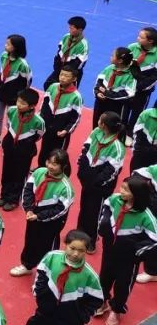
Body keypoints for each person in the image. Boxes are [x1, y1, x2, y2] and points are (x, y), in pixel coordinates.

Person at [1, 230, 103, 325]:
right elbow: (41, 273)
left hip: (68, 319)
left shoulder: (90, 276)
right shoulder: (52, 257)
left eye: (81, 250)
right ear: (65, 244)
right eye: (72, 248)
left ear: (86, 251)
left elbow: (96, 300)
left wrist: (80, 319)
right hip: (47, 308)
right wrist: (39, 295)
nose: (75, 253)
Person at [97, 175, 157, 325]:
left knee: (123, 284)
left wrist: (136, 252)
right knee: (104, 277)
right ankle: (102, 301)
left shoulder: (145, 216)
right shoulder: (114, 200)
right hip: (109, 250)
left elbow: (154, 239)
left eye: (126, 190)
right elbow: (106, 208)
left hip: (128, 259)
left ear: (136, 193)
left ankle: (116, 309)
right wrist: (104, 224)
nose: (121, 191)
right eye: (122, 187)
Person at [11, 149, 75, 276]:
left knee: (47, 243)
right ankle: (27, 265)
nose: (50, 166)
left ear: (63, 166)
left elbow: (60, 210)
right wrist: (29, 209)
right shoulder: (39, 172)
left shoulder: (66, 187)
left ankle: (48, 270)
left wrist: (39, 216)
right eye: (49, 162)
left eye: (55, 164)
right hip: (33, 214)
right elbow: (28, 190)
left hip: (51, 221)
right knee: (30, 240)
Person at [75, 112, 127, 243]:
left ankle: (91, 239)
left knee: (94, 212)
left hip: (101, 187)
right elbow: (86, 147)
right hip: (87, 179)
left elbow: (112, 170)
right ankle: (80, 232)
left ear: (103, 124)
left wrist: (96, 182)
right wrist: (82, 172)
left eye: (100, 119)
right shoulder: (96, 132)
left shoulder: (117, 147)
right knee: (84, 206)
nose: (98, 121)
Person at [0, 88, 46, 211]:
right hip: (10, 145)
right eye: (18, 101)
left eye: (23, 103)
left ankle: (14, 199)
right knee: (7, 171)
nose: (19, 105)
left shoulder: (38, 121)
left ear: (32, 106)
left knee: (19, 175)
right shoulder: (11, 111)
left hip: (25, 150)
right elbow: (9, 124)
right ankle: (4, 195)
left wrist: (26, 141)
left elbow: (39, 134)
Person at [38, 67, 83, 164]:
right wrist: (40, 118)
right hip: (47, 127)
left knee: (57, 156)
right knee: (44, 150)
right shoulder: (52, 87)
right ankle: (41, 168)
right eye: (61, 74)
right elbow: (44, 104)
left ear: (74, 79)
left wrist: (66, 130)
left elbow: (76, 117)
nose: (62, 78)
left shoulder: (76, 97)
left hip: (60, 132)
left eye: (66, 76)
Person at [0, 34, 32, 138]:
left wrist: (22, 97)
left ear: (15, 47)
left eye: (8, 44)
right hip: (0, 93)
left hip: (14, 98)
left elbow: (28, 80)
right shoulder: (3, 56)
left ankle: (10, 138)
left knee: (11, 121)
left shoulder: (23, 64)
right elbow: (2, 73)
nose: (5, 45)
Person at [43, 16, 89, 87]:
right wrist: (57, 69)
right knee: (47, 85)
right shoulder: (66, 37)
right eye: (69, 27)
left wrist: (65, 73)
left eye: (71, 28)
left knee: (67, 91)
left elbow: (78, 63)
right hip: (60, 68)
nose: (69, 30)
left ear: (80, 30)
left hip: (71, 74)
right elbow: (59, 51)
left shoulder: (83, 45)